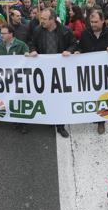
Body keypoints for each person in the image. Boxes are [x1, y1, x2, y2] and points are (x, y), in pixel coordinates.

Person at [27, 8, 76, 138]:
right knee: (47, 96)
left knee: (60, 98)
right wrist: (32, 50)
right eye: (41, 18)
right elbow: (32, 43)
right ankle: (49, 119)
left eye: (44, 19)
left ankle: (60, 125)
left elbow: (73, 44)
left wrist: (69, 51)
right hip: (44, 70)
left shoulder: (65, 31)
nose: (41, 21)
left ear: (52, 20)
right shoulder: (38, 30)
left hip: (61, 71)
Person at [77, 10, 108, 134]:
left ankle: (101, 122)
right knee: (92, 96)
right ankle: (93, 116)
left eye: (96, 22)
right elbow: (80, 47)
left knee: (103, 97)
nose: (93, 24)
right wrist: (78, 51)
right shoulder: (85, 33)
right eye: (91, 22)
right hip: (89, 71)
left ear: (102, 21)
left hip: (106, 72)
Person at [0, 25, 30, 133]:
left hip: (20, 78)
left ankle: (24, 123)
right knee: (11, 99)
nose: (1, 35)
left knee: (20, 99)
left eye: (4, 33)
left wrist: (27, 55)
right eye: (1, 33)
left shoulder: (21, 45)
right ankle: (15, 120)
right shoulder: (0, 46)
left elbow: (28, 60)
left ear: (11, 34)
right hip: (7, 78)